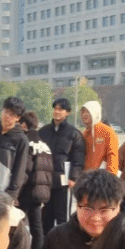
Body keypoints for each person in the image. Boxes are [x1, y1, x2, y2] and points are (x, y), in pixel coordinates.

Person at [39, 98, 85, 234]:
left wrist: (73, 177)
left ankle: (62, 244)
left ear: (67, 112)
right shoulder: (43, 131)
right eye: (55, 108)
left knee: (62, 218)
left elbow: (78, 159)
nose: (57, 111)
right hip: (45, 181)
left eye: (61, 109)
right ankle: (45, 244)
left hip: (63, 183)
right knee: (45, 218)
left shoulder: (74, 134)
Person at [19, 111, 53, 249]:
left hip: (26, 190)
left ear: (24, 125)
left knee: (19, 226)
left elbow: (25, 169)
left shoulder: (26, 142)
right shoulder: (45, 145)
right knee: (37, 228)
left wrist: (17, 190)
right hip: (41, 191)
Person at [0, 96, 30, 203]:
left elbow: (20, 170)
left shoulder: (21, 140)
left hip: (4, 192)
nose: (7, 116)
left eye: (12, 114)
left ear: (18, 118)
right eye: (6, 111)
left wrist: (12, 195)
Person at [81, 100, 119, 174]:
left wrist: (110, 177)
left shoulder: (108, 131)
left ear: (96, 113)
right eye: (83, 112)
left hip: (102, 178)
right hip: (86, 177)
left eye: (88, 112)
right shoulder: (84, 134)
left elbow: (112, 156)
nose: (84, 114)